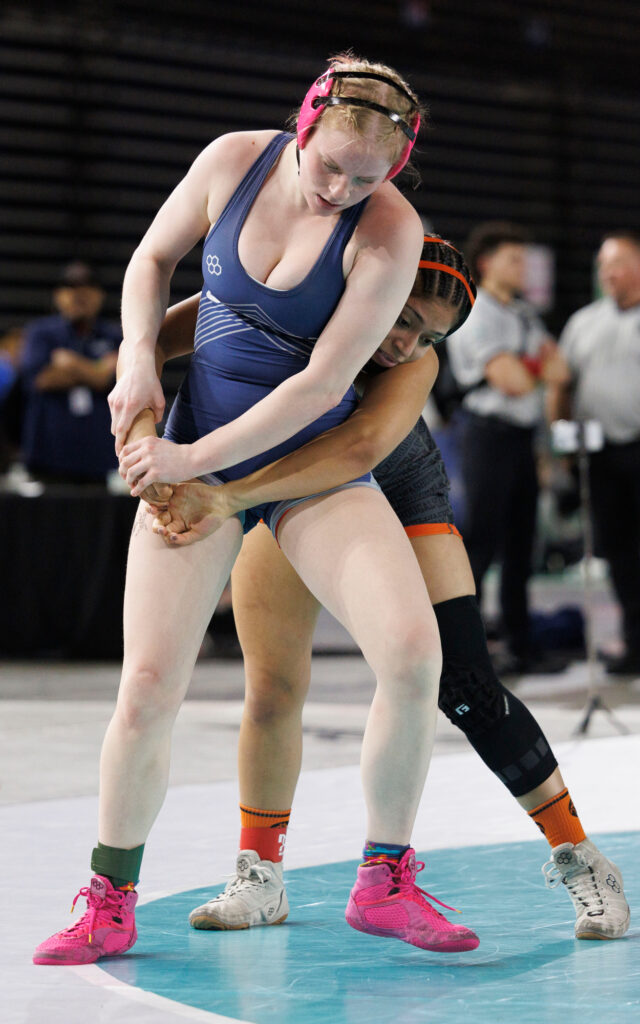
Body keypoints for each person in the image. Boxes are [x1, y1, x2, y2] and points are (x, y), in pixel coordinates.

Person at [34, 55, 481, 966]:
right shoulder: (234, 160)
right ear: (304, 123)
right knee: (150, 686)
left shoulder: (390, 231)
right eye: (331, 166)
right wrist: (133, 367)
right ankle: (111, 897)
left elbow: (322, 387)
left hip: (300, 470)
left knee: (411, 655)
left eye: (370, 177)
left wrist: (197, 464)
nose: (341, 190)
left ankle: (382, 880)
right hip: (195, 445)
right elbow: (154, 261)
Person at [146, 239, 629, 944]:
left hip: (390, 482)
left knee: (463, 683)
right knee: (274, 685)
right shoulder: (289, 305)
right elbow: (153, 338)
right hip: (281, 482)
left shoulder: (417, 363)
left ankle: (581, 856)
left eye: (429, 335)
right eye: (403, 318)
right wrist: (137, 415)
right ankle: (261, 874)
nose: (406, 344)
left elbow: (358, 448)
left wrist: (227, 497)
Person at [446, 222, 571, 675]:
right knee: (481, 540)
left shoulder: (523, 315)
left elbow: (556, 374)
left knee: (523, 545)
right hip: (487, 434)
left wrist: (530, 367)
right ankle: (465, 653)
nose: (523, 268)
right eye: (513, 258)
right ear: (487, 263)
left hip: (521, 439)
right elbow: (512, 381)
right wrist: (534, 366)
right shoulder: (477, 313)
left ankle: (521, 643)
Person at [550, 231, 640, 676]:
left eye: (618, 263)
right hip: (602, 456)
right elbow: (561, 386)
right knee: (619, 552)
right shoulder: (583, 322)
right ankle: (635, 644)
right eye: (603, 265)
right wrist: (560, 442)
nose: (607, 273)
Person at [19, 262, 120, 483]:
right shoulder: (41, 333)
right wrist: (96, 368)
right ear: (58, 295)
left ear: (100, 295)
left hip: (97, 458)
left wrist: (70, 363)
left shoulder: (114, 335)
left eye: (88, 286)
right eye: (71, 286)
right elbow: (41, 380)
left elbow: (111, 380)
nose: (79, 294)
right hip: (47, 456)